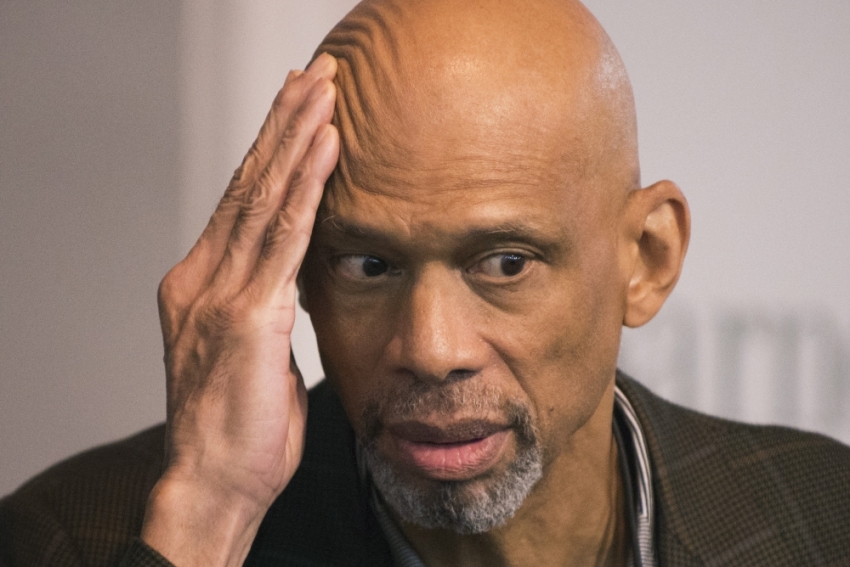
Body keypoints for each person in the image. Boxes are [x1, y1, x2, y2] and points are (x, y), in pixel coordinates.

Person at [2, 0, 849, 565]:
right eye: (368, 265)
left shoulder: (823, 516)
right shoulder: (77, 539)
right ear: (297, 280)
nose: (431, 349)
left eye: (505, 263)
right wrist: (206, 516)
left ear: (648, 259)